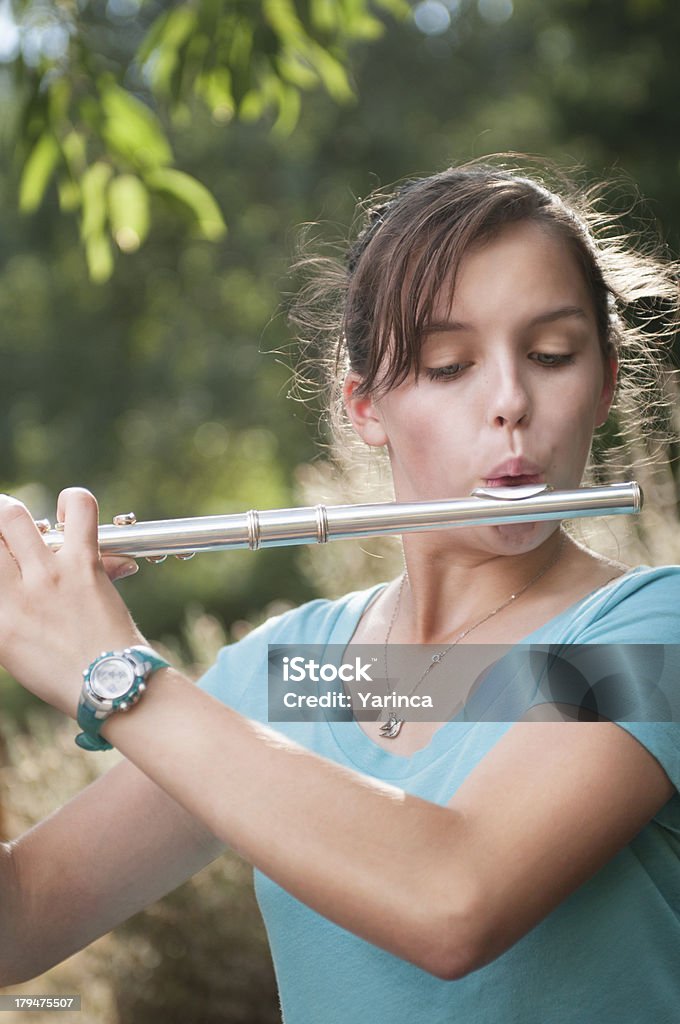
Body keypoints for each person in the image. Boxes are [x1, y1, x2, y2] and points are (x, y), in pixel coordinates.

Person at [1, 158, 679, 1024]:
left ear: (604, 384)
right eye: (447, 366)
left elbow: (454, 898)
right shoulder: (297, 673)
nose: (511, 400)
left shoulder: (650, 630)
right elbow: (18, 921)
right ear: (365, 405)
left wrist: (112, 672)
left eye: (551, 355)